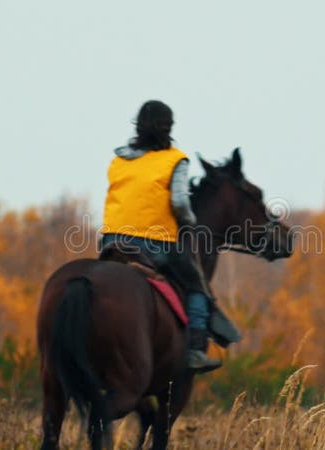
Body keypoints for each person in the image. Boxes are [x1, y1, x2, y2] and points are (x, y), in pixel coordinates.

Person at [101, 100, 221, 372]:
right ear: (169, 127)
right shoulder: (175, 160)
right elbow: (179, 203)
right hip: (154, 244)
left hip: (111, 241)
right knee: (197, 286)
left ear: (138, 125)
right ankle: (195, 350)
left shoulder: (118, 159)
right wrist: (189, 222)